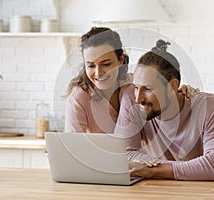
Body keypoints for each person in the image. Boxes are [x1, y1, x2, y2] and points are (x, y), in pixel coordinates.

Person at [115, 39, 214, 180]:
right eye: (136, 87)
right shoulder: (132, 101)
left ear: (173, 86)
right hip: (173, 182)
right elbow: (123, 154)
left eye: (148, 89)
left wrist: (154, 170)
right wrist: (191, 168)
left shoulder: (208, 105)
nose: (138, 98)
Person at [64, 27, 198, 133]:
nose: (98, 73)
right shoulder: (79, 97)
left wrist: (182, 91)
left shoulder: (135, 83)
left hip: (141, 162)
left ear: (120, 60)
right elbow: (74, 147)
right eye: (91, 65)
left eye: (106, 64)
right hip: (101, 163)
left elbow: (164, 95)